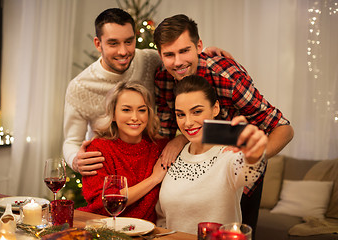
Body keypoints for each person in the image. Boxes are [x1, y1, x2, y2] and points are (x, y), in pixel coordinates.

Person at [153, 14, 294, 238]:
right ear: (159, 55)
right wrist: (179, 138)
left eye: (184, 51)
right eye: (169, 55)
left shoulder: (227, 76)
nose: (177, 62)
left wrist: (256, 154)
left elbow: (284, 128)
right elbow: (168, 129)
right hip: (194, 164)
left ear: (199, 46)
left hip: (237, 164)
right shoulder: (162, 77)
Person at [63, 8, 231, 176]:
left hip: (152, 158)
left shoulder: (149, 59)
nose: (123, 52)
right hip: (109, 166)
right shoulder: (79, 87)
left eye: (129, 41)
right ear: (98, 44)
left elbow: (178, 56)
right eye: (113, 43)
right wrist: (74, 160)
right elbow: (71, 141)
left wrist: (207, 54)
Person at [155, 75, 268, 234]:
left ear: (215, 108)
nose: (187, 122)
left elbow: (250, 171)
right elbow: (163, 218)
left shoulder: (229, 156)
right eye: (181, 114)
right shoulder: (174, 154)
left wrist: (254, 152)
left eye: (197, 112)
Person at [80, 81, 169, 222]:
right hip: (104, 229)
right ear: (113, 114)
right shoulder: (98, 149)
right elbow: (102, 204)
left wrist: (179, 140)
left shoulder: (158, 147)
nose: (135, 117)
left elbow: (189, 139)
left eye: (141, 110)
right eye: (126, 110)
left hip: (146, 232)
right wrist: (153, 179)